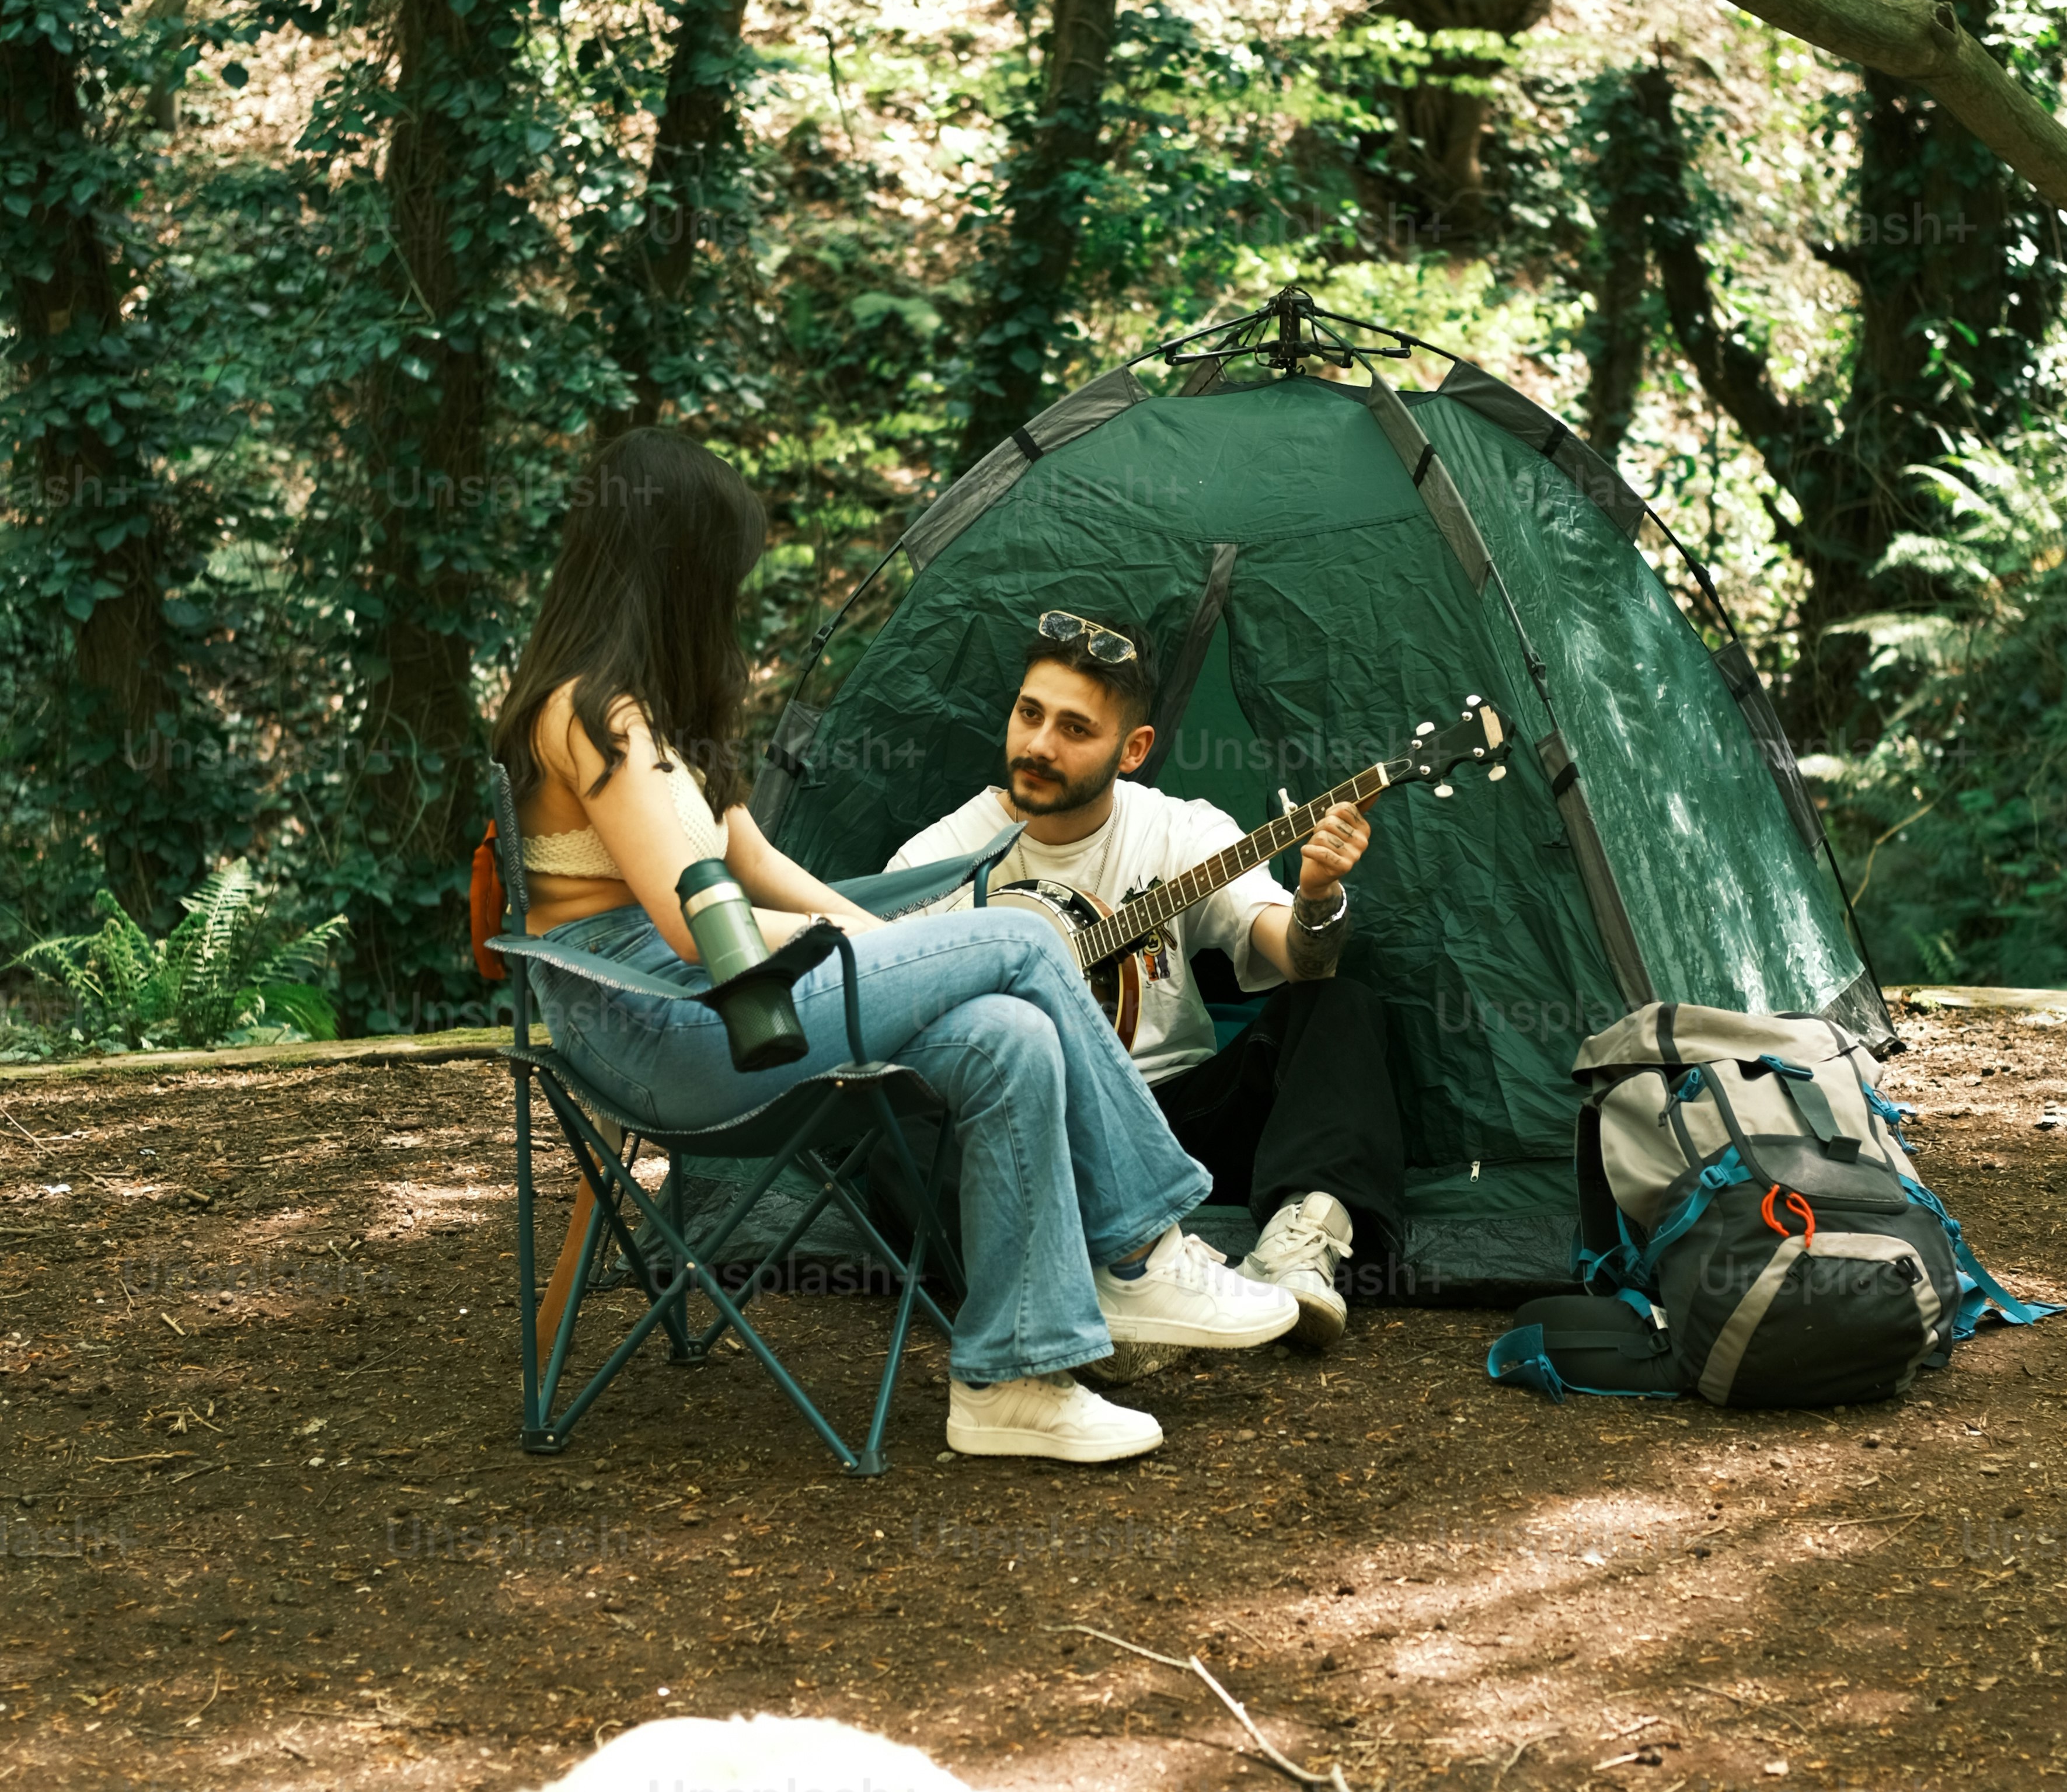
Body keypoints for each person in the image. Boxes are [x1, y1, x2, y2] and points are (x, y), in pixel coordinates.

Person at [491, 442, 1299, 1466]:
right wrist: (931, 944)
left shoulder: (656, 722)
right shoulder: (593, 712)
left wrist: (901, 947)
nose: (730, 604)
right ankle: (1142, 1248)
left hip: (718, 1006)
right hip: (655, 1020)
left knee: (1006, 1029)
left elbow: (760, 864)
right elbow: (699, 924)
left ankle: (1014, 1375)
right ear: (677, 571)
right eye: (724, 578)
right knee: (1015, 933)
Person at [888, 610, 1407, 1347]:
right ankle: (1078, 1282)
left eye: (1074, 729)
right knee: (894, 1111)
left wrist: (1317, 895)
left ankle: (1298, 1250)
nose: (1037, 744)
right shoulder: (938, 860)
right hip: (1032, 1138)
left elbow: (1300, 961)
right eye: (1029, 714)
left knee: (1341, 1003)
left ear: (1131, 750)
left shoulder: (1182, 832)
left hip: (1175, 1123)